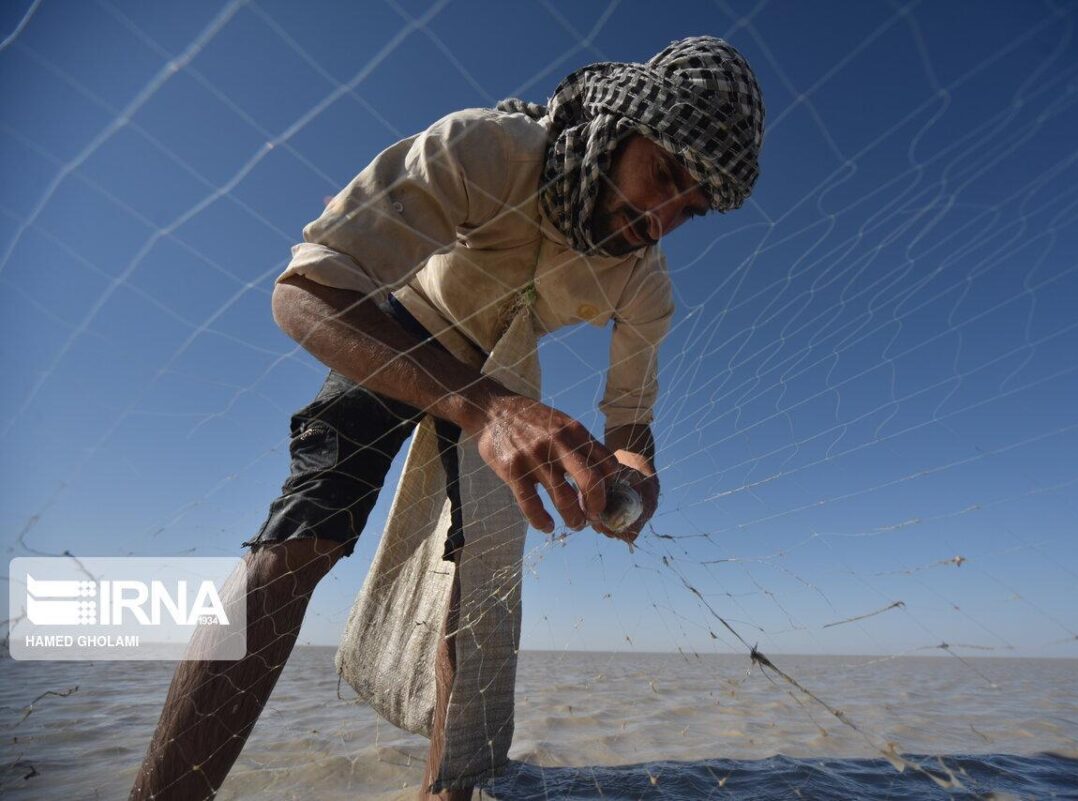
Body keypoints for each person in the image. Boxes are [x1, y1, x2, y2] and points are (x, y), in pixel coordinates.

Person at [129, 35, 764, 801]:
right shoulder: (487, 149)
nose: (661, 218)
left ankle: (448, 789)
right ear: (619, 128)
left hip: (506, 373)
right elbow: (305, 290)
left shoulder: (645, 285)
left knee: (483, 590)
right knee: (302, 536)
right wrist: (487, 408)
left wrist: (634, 484)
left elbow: (630, 424)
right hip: (395, 333)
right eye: (663, 175)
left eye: (689, 209)